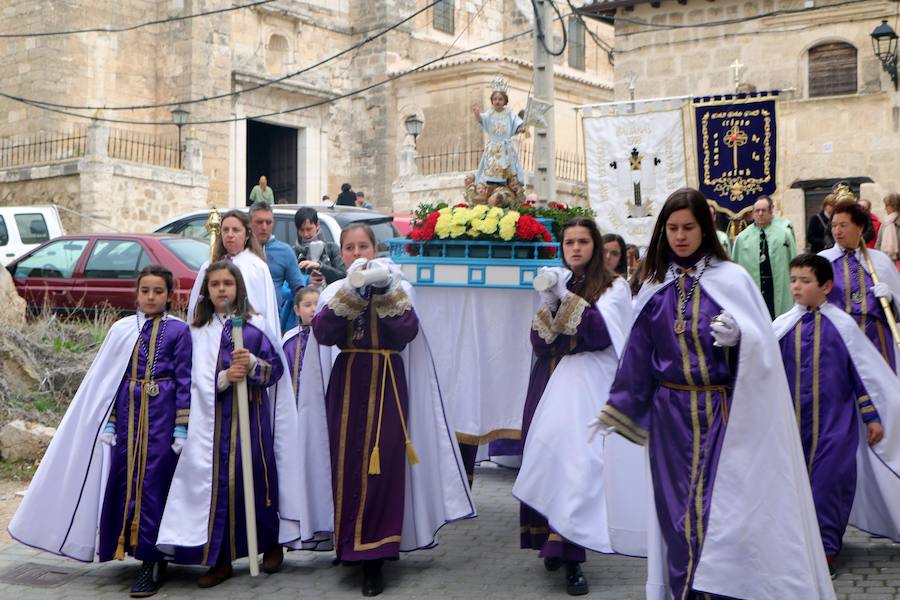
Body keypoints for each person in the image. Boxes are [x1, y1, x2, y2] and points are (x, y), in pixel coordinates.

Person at [592, 188, 834, 599]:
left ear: (705, 229)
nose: (681, 236)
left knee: (718, 513)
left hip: (722, 413)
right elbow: (637, 356)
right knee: (676, 517)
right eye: (672, 228)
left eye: (689, 227)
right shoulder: (653, 287)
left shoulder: (733, 280)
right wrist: (617, 409)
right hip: (670, 417)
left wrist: (743, 339)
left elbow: (765, 355)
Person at [298, 223, 475, 596]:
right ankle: (347, 544)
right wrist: (353, 291)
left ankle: (376, 555)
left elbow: (406, 330)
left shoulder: (397, 287)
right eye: (350, 247)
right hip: (347, 383)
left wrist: (382, 291)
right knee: (345, 465)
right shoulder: (335, 290)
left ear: (376, 249)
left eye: (364, 246)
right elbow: (324, 333)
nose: (357, 253)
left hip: (387, 384)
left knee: (383, 468)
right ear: (341, 253)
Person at [9, 265, 192, 598]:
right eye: (145, 291)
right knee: (125, 485)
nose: (151, 297)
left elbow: (185, 380)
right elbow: (109, 381)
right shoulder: (123, 329)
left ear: (170, 295)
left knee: (153, 487)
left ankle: (152, 562)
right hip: (127, 418)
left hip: (162, 419)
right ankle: (130, 549)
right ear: (136, 294)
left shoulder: (180, 331)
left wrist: (182, 426)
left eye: (158, 292)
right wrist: (109, 421)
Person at [157, 261, 306, 587]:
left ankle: (269, 543)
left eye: (227, 283)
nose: (221, 289)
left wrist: (252, 365)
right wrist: (223, 378)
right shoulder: (196, 332)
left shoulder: (255, 327)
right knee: (218, 486)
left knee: (255, 478)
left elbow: (275, 372)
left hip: (249, 418)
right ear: (207, 292)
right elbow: (189, 378)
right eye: (215, 284)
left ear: (238, 288)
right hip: (211, 422)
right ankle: (219, 558)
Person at [512, 218, 637, 596]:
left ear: (595, 246)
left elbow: (601, 334)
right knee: (550, 461)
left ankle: (572, 558)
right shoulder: (559, 280)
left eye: (583, 241)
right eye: (570, 242)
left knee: (578, 468)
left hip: (591, 382)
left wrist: (565, 301)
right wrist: (550, 302)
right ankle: (554, 541)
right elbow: (540, 342)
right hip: (553, 379)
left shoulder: (614, 287)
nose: (576, 248)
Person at [774, 253, 900, 579]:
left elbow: (862, 375)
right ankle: (799, 550)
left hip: (835, 425)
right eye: (794, 280)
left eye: (805, 280)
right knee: (796, 489)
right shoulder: (782, 327)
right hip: (792, 425)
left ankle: (827, 552)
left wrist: (872, 417)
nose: (797, 287)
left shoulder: (842, 325)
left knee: (829, 487)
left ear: (826, 286)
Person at [819, 193, 900, 372]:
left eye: (843, 225)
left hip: (877, 343)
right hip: (837, 341)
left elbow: (897, 309)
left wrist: (891, 298)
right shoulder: (822, 262)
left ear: (860, 227)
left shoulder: (880, 262)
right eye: (833, 226)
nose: (837, 231)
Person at [187, 210, 281, 338]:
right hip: (213, 334)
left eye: (236, 230)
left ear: (247, 235)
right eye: (225, 230)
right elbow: (197, 309)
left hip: (248, 335)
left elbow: (266, 311)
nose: (230, 235)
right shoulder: (208, 266)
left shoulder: (257, 267)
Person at [731, 196, 797, 318]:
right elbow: (734, 268)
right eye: (757, 211)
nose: (760, 214)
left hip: (776, 286)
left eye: (764, 210)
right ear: (752, 213)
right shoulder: (742, 238)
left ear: (771, 212)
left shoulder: (784, 235)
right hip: (753, 288)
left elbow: (793, 262)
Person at [249, 201, 306, 332]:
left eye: (268, 222)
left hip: (274, 324)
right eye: (259, 222)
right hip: (243, 322)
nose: (264, 227)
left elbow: (298, 288)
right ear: (249, 223)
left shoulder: (285, 251)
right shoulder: (241, 250)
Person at [473, 77, 525, 185]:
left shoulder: (509, 114)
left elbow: (516, 124)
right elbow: (481, 120)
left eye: (500, 99)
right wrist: (477, 113)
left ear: (505, 101)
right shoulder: (489, 114)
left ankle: (507, 185)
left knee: (508, 170)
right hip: (493, 147)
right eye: (495, 99)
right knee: (490, 170)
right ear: (492, 101)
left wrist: (520, 129)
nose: (497, 101)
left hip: (506, 147)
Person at [293, 207, 346, 288]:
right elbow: (288, 282)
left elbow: (343, 276)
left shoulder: (332, 249)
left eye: (309, 229)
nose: (305, 234)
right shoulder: (294, 252)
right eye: (301, 230)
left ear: (317, 225)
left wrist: (320, 267)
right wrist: (307, 280)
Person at [282, 286, 319, 399]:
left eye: (318, 304)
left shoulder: (328, 338)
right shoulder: (290, 340)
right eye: (308, 305)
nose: (314, 309)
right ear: (297, 310)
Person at [876, 193, 900, 269]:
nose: (885, 208)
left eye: (887, 205)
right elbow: (878, 243)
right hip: (885, 262)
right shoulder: (885, 222)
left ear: (894, 206)